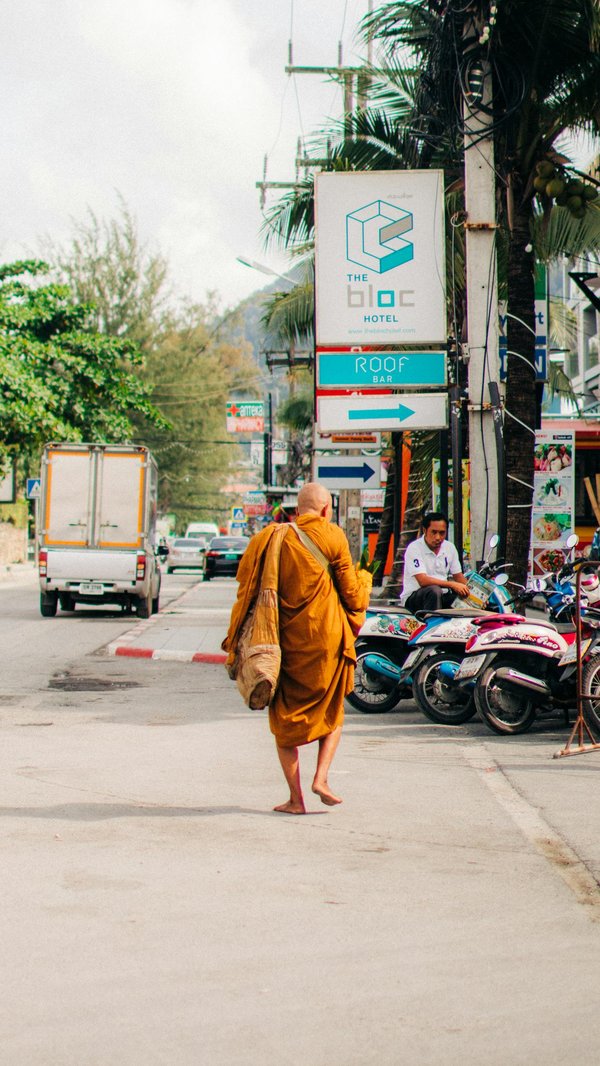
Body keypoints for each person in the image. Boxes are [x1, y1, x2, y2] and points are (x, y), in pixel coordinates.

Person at [223, 482, 372, 815]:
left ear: (296, 510)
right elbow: (351, 594)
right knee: (332, 712)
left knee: (284, 721)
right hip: (329, 640)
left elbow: (246, 587)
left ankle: (296, 799)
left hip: (286, 643)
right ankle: (321, 778)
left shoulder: (270, 538)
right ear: (323, 510)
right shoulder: (333, 536)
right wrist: (365, 581)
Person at [400, 511, 468, 613]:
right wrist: (452, 584)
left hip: (442, 595)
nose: (438, 537)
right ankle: (432, 626)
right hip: (416, 598)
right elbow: (423, 581)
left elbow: (458, 577)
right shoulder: (414, 548)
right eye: (434, 532)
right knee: (434, 590)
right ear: (425, 530)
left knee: (465, 602)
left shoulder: (450, 547)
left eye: (442, 533)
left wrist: (474, 595)